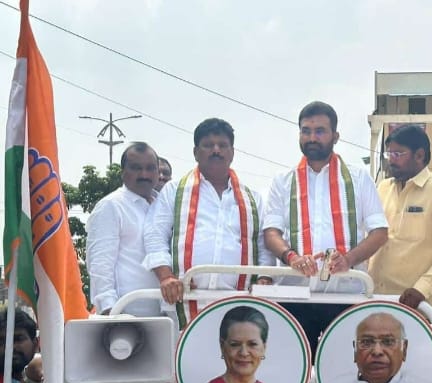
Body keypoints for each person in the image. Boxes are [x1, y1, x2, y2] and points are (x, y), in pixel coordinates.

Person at [262, 101, 388, 354]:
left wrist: (348, 259)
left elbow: (380, 232)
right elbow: (271, 233)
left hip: (346, 295)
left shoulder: (358, 178)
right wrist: (292, 257)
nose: (312, 138)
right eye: (306, 131)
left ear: (335, 136)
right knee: (294, 366)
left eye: (320, 131)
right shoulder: (283, 181)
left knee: (344, 367)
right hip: (295, 296)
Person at [143, 118, 273, 320]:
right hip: (182, 300)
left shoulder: (253, 198)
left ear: (232, 152)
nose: (216, 150)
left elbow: (263, 244)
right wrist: (166, 276)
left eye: (222, 145)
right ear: (196, 152)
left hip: (240, 302)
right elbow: (155, 235)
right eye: (208, 145)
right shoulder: (174, 191)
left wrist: (264, 278)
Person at [368, 124, 432, 318]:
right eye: (389, 154)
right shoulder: (382, 188)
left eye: (398, 154)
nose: (391, 160)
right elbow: (370, 236)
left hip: (419, 307)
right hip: (376, 301)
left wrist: (422, 289)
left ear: (419, 155)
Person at [87, 142, 161, 316]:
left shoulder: (163, 206)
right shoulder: (111, 206)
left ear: (158, 172)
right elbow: (100, 264)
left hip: (165, 314)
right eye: (136, 168)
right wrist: (110, 311)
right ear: (123, 172)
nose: (144, 174)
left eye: (150, 168)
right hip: (125, 314)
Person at [328, 312, 432, 383]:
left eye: (388, 342)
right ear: (355, 350)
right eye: (366, 342)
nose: (377, 352)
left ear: (404, 349)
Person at [191, 306, 290, 383]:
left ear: (264, 348)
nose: (244, 353)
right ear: (222, 346)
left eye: (252, 344)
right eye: (235, 344)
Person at [0, 309, 42, 383]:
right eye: (2, 341)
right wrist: (31, 381)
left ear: (36, 343)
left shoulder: (52, 381)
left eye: (18, 339)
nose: (10, 347)